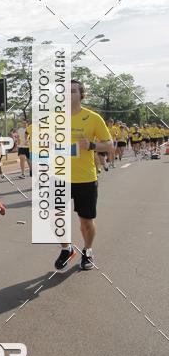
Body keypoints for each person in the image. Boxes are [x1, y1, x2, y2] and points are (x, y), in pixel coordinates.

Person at [54, 79, 113, 273]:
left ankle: (87, 250)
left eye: (73, 91)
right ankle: (67, 249)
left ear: (81, 94)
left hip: (85, 179)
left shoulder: (93, 118)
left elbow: (109, 145)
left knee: (85, 222)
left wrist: (91, 146)